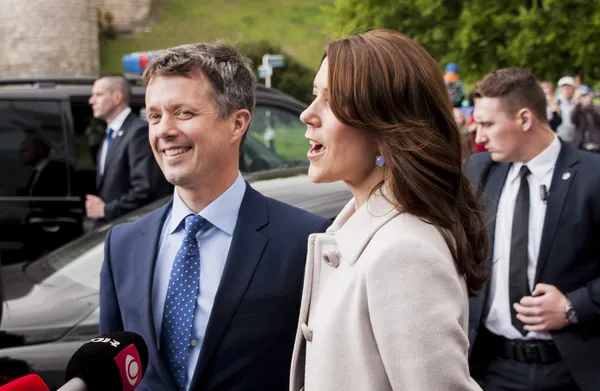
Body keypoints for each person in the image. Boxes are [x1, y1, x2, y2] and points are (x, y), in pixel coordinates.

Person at [99, 43, 330, 391]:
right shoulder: (122, 245)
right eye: (155, 116)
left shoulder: (305, 241)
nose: (164, 130)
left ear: (237, 123)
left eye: (184, 113)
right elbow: (111, 375)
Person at [289, 29, 488, 391]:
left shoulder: (403, 251)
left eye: (331, 102)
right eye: (314, 96)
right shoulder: (356, 230)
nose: (307, 114)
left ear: (385, 126)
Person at [467, 67, 600, 391]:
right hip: (492, 368)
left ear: (524, 119)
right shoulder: (477, 171)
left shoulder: (592, 176)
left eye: (487, 124)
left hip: (574, 371)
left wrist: (573, 306)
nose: (478, 137)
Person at [86, 74, 170, 226]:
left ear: (117, 97)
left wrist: (106, 209)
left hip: (129, 225)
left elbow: (145, 189)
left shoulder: (138, 132)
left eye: (98, 95)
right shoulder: (110, 133)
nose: (91, 101)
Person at [572, 84, 600, 153]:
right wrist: (578, 104)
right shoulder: (577, 110)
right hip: (581, 146)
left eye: (586, 95)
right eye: (582, 96)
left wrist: (589, 106)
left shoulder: (596, 108)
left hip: (596, 146)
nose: (584, 98)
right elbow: (573, 119)